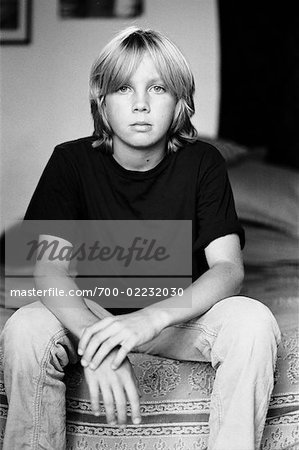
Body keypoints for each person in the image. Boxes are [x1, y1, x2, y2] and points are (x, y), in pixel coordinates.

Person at [1, 27, 281, 450]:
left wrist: (148, 319)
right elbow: (49, 267)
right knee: (24, 327)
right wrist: (99, 344)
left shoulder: (204, 162)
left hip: (175, 319)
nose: (140, 104)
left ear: (180, 102)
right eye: (123, 88)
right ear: (102, 99)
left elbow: (228, 268)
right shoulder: (69, 162)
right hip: (91, 311)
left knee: (254, 321)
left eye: (158, 88)